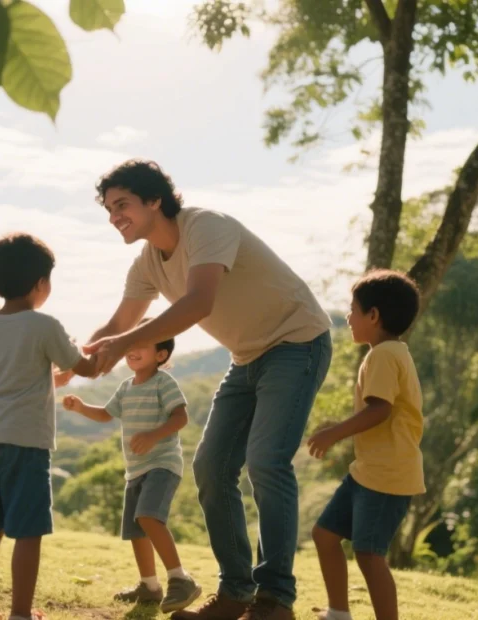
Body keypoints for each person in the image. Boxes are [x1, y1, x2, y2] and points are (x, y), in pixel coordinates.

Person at [77, 159, 333, 620]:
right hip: (247, 357)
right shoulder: (147, 263)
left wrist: (122, 344)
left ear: (154, 200)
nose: (114, 216)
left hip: (297, 342)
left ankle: (275, 600)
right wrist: (72, 362)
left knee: (266, 462)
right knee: (211, 466)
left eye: (122, 204)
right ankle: (235, 593)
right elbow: (118, 325)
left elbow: (198, 302)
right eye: (109, 209)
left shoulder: (205, 226)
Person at [0, 233, 99, 620]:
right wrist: (92, 349)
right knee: (28, 529)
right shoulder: (44, 325)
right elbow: (85, 367)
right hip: (23, 440)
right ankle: (20, 613)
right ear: (40, 283)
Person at [307, 270, 425, 620]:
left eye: (353, 309)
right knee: (325, 534)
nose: (348, 317)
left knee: (369, 553)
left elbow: (380, 410)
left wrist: (335, 433)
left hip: (387, 476)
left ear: (373, 315)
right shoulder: (388, 353)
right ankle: (338, 613)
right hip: (367, 473)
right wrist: (337, 428)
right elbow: (377, 408)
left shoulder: (384, 355)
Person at [63, 321, 202, 614]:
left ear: (161, 355)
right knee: (136, 529)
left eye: (142, 345)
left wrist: (153, 435)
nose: (133, 350)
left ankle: (181, 578)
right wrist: (80, 407)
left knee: (148, 517)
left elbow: (180, 417)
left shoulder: (163, 383)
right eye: (131, 344)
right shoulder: (126, 386)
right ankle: (149, 586)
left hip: (162, 463)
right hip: (136, 469)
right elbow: (106, 414)